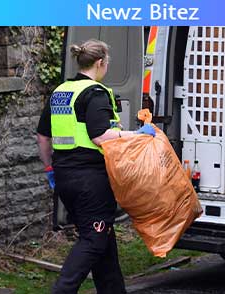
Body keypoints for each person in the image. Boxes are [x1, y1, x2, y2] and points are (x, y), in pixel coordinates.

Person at [36, 39, 155, 294]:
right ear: (100, 63)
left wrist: (49, 170)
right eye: (107, 63)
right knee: (93, 239)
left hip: (65, 178)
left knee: (104, 239)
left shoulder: (61, 92)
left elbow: (43, 137)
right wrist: (139, 134)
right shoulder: (96, 93)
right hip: (91, 180)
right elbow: (100, 136)